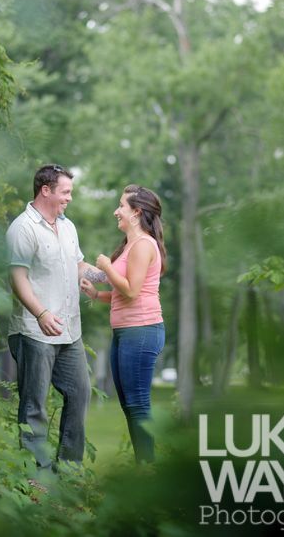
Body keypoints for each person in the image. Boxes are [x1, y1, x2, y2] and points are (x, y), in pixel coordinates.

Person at [6, 163, 109, 471]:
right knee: (34, 405)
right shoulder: (22, 228)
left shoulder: (67, 226)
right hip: (33, 331)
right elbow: (17, 277)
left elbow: (78, 266)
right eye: (66, 192)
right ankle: (37, 474)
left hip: (69, 331)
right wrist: (40, 313)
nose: (69, 198)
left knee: (80, 393)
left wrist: (107, 276)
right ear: (45, 190)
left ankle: (69, 469)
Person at [81, 184, 166, 463]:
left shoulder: (143, 245)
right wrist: (96, 293)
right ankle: (144, 466)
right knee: (130, 405)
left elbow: (131, 290)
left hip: (141, 332)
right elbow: (123, 293)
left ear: (136, 212)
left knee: (138, 404)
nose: (116, 211)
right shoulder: (130, 245)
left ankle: (148, 469)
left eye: (121, 206)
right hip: (125, 333)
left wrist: (105, 266)